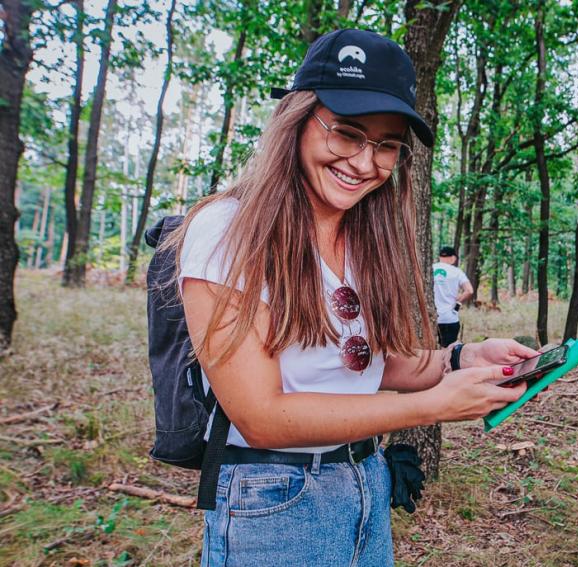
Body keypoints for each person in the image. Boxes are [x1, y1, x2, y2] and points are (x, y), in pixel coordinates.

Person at [160, 29, 536, 566]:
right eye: (347, 133)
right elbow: (260, 414)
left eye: (386, 145)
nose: (365, 163)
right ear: (297, 120)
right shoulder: (228, 231)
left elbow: (367, 365)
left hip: (364, 479)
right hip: (276, 497)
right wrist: (430, 407)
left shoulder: (361, 236)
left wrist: (458, 358)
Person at [432, 246, 473, 347]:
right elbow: (469, 290)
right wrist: (458, 301)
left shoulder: (430, 269)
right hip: (449, 318)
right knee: (448, 351)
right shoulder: (456, 272)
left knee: (430, 351)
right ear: (453, 258)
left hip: (430, 318)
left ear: (440, 257)